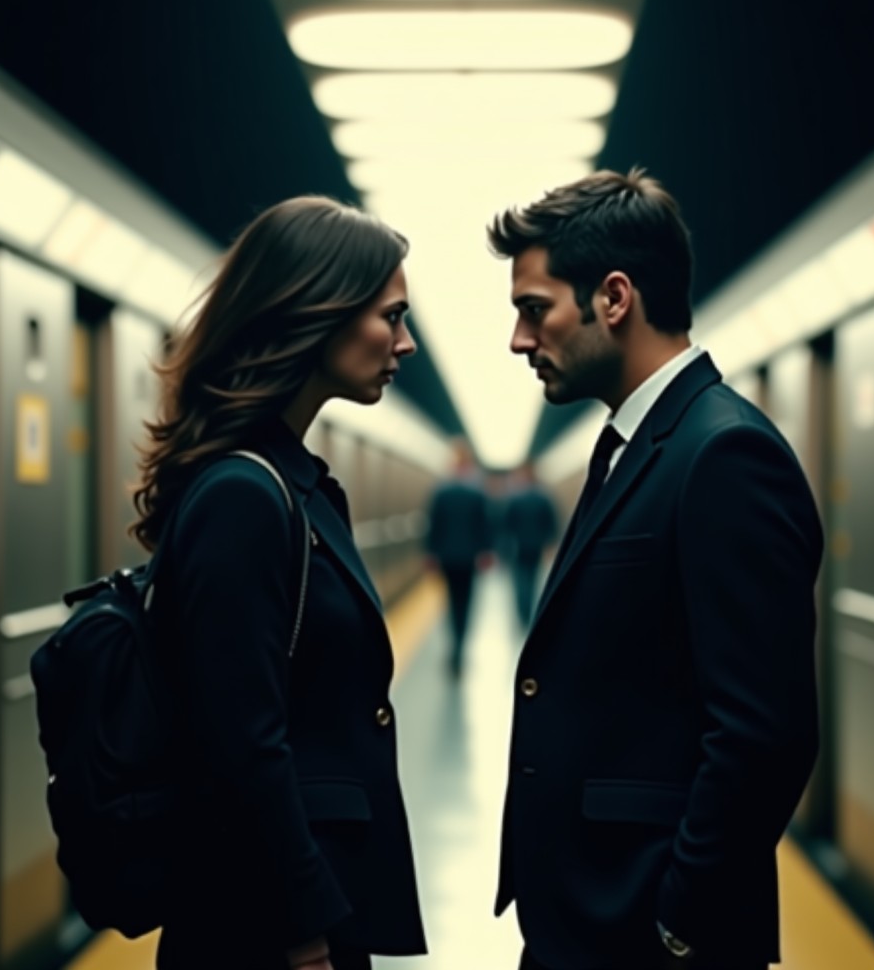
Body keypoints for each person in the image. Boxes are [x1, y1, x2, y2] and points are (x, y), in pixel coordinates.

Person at [487, 169, 823, 970]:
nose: (520, 341)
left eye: (535, 310)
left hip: (645, 929)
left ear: (613, 297)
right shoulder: (639, 446)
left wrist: (680, 923)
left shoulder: (724, 454)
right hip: (584, 915)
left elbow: (763, 732)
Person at [130, 196, 426, 970]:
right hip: (266, 922)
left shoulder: (284, 486)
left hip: (298, 898)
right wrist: (303, 929)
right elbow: (242, 739)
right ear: (318, 311)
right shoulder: (245, 496)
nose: (408, 342)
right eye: (390, 317)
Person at [424, 440, 493, 678]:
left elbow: (433, 525)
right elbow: (485, 524)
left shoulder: (441, 490)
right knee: (466, 603)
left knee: (451, 601)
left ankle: (454, 647)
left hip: (446, 556)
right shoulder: (477, 490)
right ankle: (460, 649)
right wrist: (486, 552)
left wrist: (431, 554)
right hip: (470, 557)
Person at [500, 462, 559, 630]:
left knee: (520, 581)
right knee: (532, 580)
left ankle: (522, 614)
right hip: (537, 546)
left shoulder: (514, 498)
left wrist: (503, 550)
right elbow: (551, 523)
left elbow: (506, 525)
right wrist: (549, 544)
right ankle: (529, 612)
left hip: (517, 547)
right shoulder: (543, 497)